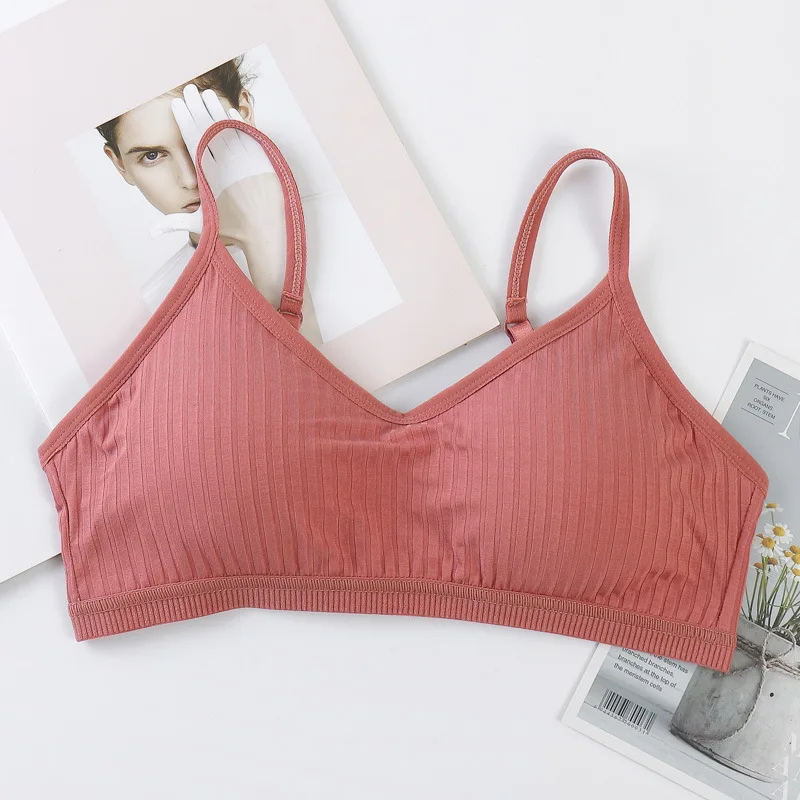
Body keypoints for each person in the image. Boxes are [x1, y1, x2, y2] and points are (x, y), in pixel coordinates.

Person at [95, 55, 321, 343]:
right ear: (120, 165)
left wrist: (266, 237)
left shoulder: (363, 230)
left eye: (202, 135)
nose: (190, 179)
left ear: (244, 113)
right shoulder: (149, 324)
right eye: (152, 156)